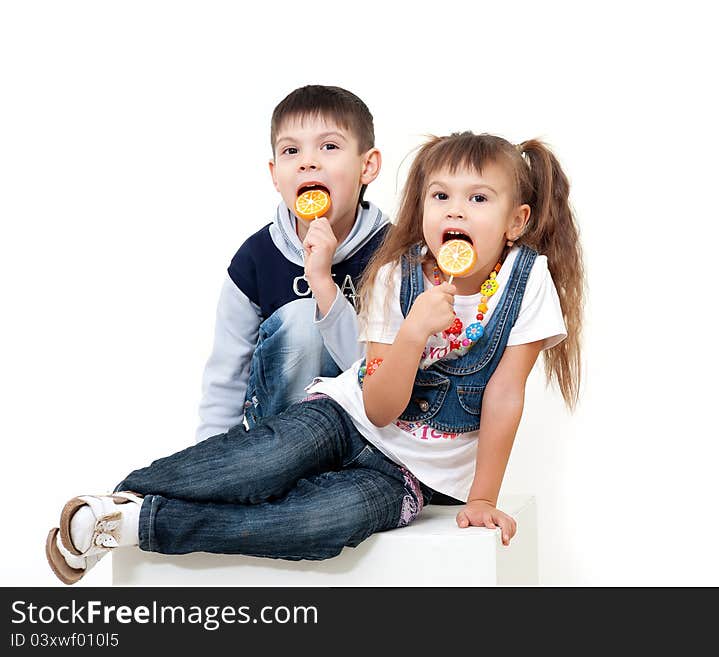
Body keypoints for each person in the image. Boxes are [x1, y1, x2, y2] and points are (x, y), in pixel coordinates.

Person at [45, 131, 584, 585]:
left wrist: (483, 498)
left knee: (323, 525)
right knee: (260, 464)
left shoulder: (527, 280)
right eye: (440, 197)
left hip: (406, 478)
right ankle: (121, 493)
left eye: (479, 199)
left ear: (516, 222)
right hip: (345, 418)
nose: (456, 210)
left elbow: (504, 392)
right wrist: (413, 333)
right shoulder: (396, 275)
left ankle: (133, 525)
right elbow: (377, 408)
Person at [196, 85, 388, 440]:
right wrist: (211, 457)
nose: (307, 161)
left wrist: (323, 284)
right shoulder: (256, 259)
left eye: (329, 147)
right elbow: (227, 374)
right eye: (290, 150)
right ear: (274, 174)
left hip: (361, 432)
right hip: (277, 431)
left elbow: (381, 372)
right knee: (300, 319)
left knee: (314, 317)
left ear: (368, 165)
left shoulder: (393, 255)